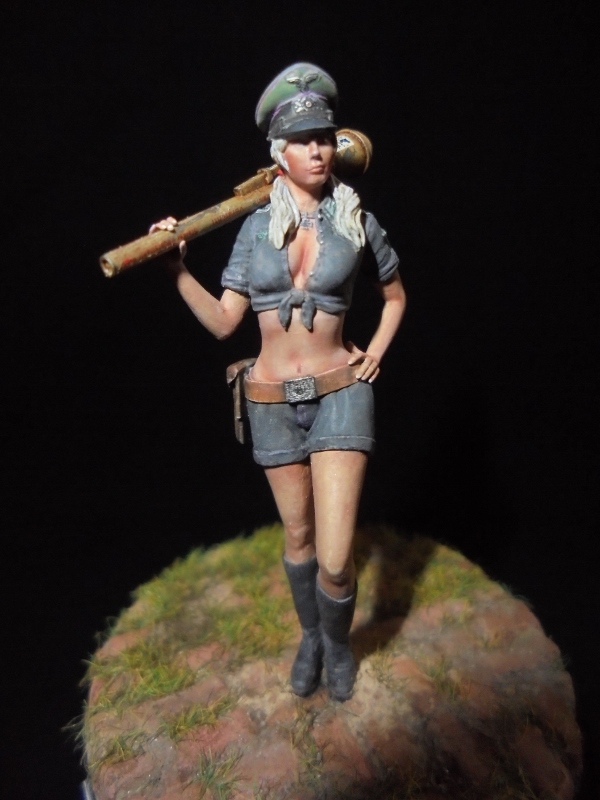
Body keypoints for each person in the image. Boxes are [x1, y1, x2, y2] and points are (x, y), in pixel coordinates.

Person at [151, 63, 406, 701]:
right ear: (278, 154)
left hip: (340, 394)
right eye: (301, 140)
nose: (316, 150)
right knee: (298, 536)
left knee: (337, 557)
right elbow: (224, 322)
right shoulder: (253, 229)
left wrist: (374, 351)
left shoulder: (357, 220)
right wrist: (177, 271)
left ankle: (339, 642)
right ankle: (312, 636)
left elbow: (396, 296)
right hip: (269, 401)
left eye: (324, 138)